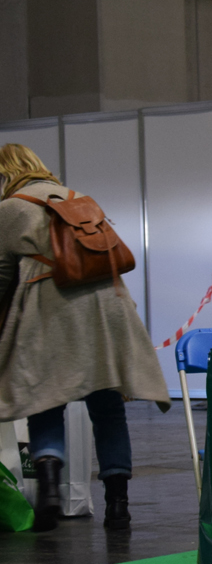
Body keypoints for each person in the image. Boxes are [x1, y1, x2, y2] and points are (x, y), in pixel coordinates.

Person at [0, 144, 168, 532]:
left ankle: (49, 494)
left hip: (52, 306)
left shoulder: (11, 208)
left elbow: (1, 275)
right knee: (107, 407)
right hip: (108, 306)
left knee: (45, 400)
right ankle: (118, 506)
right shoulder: (77, 199)